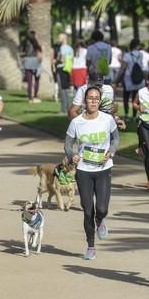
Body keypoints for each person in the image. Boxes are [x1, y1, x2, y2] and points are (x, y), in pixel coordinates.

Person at [64, 86, 119, 260]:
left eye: (96, 98)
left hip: (103, 169)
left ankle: (100, 219)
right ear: (85, 100)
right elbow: (67, 144)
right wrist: (72, 155)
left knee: (101, 208)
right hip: (84, 170)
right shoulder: (76, 122)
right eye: (90, 98)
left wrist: (111, 151)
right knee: (88, 210)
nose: (93, 101)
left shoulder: (107, 119)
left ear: (100, 101)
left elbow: (116, 138)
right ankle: (90, 246)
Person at [121, 39, 146, 119]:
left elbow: (123, 68)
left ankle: (126, 114)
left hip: (128, 78)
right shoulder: (141, 54)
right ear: (138, 46)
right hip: (138, 77)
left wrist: (117, 79)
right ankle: (134, 115)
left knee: (126, 97)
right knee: (135, 98)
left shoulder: (126, 55)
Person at [21, 31, 42, 103]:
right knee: (37, 80)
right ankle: (35, 96)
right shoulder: (35, 42)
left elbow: (21, 52)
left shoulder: (24, 42)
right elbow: (40, 50)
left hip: (27, 61)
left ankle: (30, 98)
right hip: (35, 60)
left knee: (29, 81)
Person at [56, 34, 74, 114]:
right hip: (67, 69)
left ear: (64, 39)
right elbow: (72, 59)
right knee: (66, 89)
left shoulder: (63, 47)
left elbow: (62, 59)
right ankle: (68, 108)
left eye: (59, 37)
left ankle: (64, 110)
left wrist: (56, 61)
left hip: (61, 68)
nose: (58, 39)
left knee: (62, 90)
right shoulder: (70, 48)